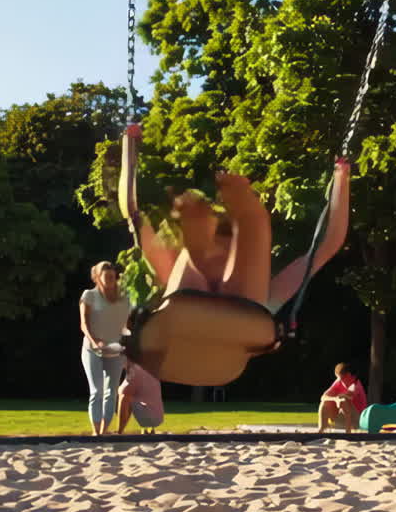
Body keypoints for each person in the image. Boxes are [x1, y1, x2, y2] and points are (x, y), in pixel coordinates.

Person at [119, 126, 352, 383]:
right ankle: (238, 213)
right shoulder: (258, 293)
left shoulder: (236, 286)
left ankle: (237, 214)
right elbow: (328, 245)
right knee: (220, 263)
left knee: (221, 264)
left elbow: (327, 245)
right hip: (203, 337)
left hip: (209, 336)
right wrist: (129, 147)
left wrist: (342, 176)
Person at [80, 261, 132, 435]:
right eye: (105, 272)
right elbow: (84, 324)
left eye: (112, 273)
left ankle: (104, 431)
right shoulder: (89, 295)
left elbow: (128, 324)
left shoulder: (124, 297)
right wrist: (95, 342)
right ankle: (96, 433)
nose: (110, 275)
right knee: (97, 391)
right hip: (92, 350)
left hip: (115, 350)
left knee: (111, 393)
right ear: (96, 277)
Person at [116, 360, 164, 434]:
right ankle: (149, 429)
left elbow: (123, 393)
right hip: (158, 417)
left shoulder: (134, 372)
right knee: (131, 396)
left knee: (124, 397)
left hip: (149, 416)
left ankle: (119, 431)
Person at [318, 363, 367, 433]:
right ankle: (321, 430)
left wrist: (339, 398)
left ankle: (348, 432)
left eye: (340, 378)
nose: (338, 380)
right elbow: (323, 397)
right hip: (342, 418)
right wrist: (335, 399)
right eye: (337, 378)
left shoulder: (355, 384)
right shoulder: (339, 381)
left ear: (348, 375)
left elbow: (348, 395)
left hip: (357, 421)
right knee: (325, 402)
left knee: (343, 399)